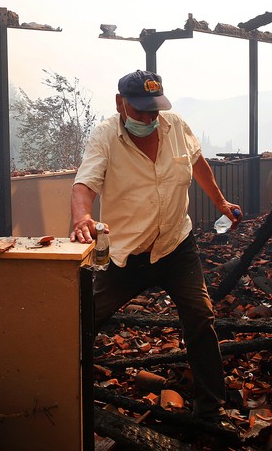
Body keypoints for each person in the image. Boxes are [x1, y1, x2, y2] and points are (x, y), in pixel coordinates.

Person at [70, 69, 242, 438]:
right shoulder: (105, 136)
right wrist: (82, 216)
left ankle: (211, 410)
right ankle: (70, 395)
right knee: (83, 320)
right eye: (141, 111)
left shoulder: (175, 125)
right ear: (121, 104)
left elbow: (198, 163)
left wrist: (221, 202)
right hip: (126, 255)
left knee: (200, 317)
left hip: (176, 246)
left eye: (155, 110)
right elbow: (84, 184)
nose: (150, 118)